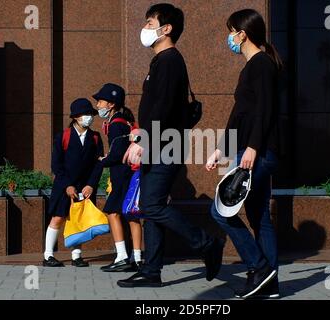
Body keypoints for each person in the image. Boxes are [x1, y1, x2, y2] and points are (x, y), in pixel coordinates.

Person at [118, 3, 225, 288]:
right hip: (162, 143)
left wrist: (144, 140)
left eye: (150, 22)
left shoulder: (169, 61)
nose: (145, 28)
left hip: (165, 144)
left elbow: (163, 108)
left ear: (166, 29)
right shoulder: (161, 61)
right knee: (153, 206)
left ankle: (206, 243)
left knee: (151, 206)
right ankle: (152, 271)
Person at [206, 9, 283, 299]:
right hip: (253, 149)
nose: (229, 37)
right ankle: (269, 285)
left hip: (258, 152)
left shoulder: (261, 64)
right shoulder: (251, 67)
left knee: (220, 211)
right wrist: (220, 150)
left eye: (231, 31)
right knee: (259, 215)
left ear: (242, 33)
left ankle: (259, 267)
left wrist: (251, 148)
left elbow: (265, 110)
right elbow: (239, 116)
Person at [43, 98, 104, 267]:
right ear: (76, 116)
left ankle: (77, 256)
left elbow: (98, 164)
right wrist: (67, 185)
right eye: (86, 114)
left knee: (79, 220)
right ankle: (48, 255)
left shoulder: (96, 137)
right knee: (58, 218)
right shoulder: (63, 136)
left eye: (91, 114)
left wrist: (91, 184)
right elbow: (56, 164)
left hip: (85, 187)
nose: (90, 117)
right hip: (64, 185)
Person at [92, 83, 143, 272]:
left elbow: (117, 154)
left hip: (121, 176)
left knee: (112, 212)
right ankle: (137, 257)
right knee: (132, 215)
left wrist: (100, 162)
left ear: (111, 104)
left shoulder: (116, 124)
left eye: (100, 101)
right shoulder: (126, 121)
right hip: (133, 174)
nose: (98, 105)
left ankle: (121, 256)